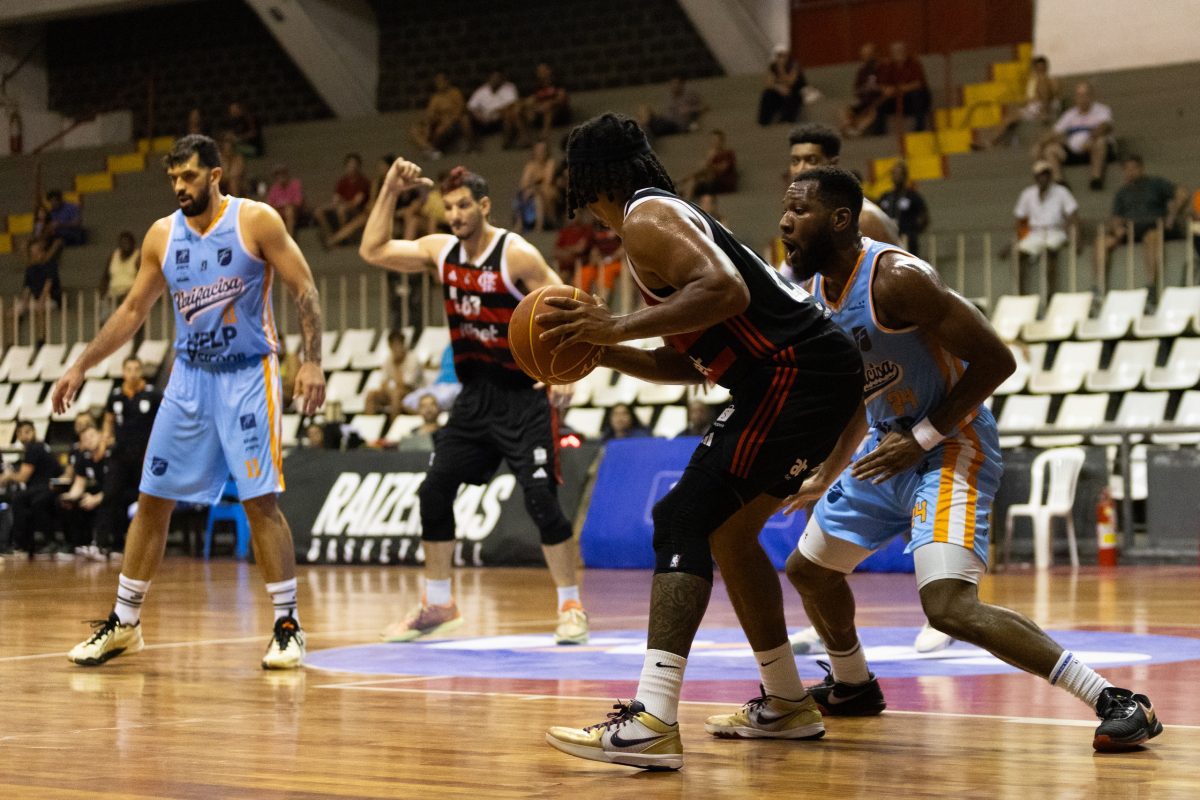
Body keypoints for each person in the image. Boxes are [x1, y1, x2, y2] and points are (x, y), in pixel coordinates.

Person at [777, 165, 1163, 754]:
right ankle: (853, 684)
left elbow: (997, 361)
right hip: (888, 448)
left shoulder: (897, 279)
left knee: (948, 608)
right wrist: (827, 471)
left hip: (950, 444)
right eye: (785, 209)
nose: (784, 222)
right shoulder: (816, 297)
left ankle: (1114, 699)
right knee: (809, 571)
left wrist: (923, 436)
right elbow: (862, 389)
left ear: (840, 219)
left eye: (799, 211)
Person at [542, 113, 864, 770]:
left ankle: (653, 720)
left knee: (681, 516)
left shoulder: (647, 219)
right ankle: (788, 701)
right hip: (804, 376)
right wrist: (603, 350)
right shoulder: (660, 222)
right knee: (729, 536)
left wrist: (614, 326)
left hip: (795, 374)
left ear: (586, 181)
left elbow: (724, 290)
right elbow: (691, 361)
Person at [51, 134, 326, 670]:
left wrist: (311, 361)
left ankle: (287, 626)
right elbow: (133, 310)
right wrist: (82, 364)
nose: (180, 186)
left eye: (190, 176)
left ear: (216, 176)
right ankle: (125, 623)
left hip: (248, 374)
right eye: (173, 178)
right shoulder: (162, 235)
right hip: (189, 377)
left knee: (259, 501)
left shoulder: (256, 221)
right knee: (152, 497)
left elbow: (305, 289)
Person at [359, 161, 589, 646]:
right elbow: (372, 250)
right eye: (450, 207)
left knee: (541, 500)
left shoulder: (516, 255)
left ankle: (571, 607)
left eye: (465, 205)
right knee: (433, 491)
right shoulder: (441, 252)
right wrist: (389, 190)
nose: (456, 214)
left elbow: (569, 304)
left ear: (484, 206)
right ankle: (439, 604)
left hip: (523, 397)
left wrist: (564, 370)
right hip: (474, 398)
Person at [781, 124, 943, 654]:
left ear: (832, 163)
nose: (800, 168)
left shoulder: (865, 223)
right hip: (837, 367)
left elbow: (891, 293)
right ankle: (824, 612)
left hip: (885, 363)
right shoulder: (797, 225)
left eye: (811, 159)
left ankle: (941, 606)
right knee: (821, 483)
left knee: (911, 486)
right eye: (794, 160)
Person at [98, 356, 162, 558]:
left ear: (141, 371)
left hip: (144, 455)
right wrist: (104, 440)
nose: (133, 373)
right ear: (123, 372)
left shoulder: (152, 394)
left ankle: (145, 545)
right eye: (129, 369)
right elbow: (108, 421)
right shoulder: (115, 395)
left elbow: (163, 420)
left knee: (143, 498)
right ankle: (104, 544)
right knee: (110, 495)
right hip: (120, 454)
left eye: (136, 369)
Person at [1096, 155, 1189, 292]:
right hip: (1131, 230)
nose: (1130, 172)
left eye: (1133, 168)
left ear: (1141, 168)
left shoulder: (1155, 183)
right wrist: (1117, 228)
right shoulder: (1122, 192)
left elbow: (1182, 193)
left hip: (1155, 226)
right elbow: (1116, 217)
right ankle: (1098, 286)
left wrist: (1173, 215)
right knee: (1101, 241)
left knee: (1151, 237)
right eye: (1127, 169)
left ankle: (1151, 285)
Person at [1014, 161, 1080, 295]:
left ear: (1050, 176)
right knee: (1018, 253)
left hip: (1055, 231)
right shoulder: (1027, 194)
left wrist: (1077, 238)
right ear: (1035, 177)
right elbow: (1019, 218)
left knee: (1049, 252)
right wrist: (1019, 237)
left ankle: (1050, 294)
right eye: (1039, 175)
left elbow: (1073, 216)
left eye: (1045, 175)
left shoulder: (1061, 192)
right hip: (1035, 233)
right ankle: (1021, 294)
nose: (1042, 178)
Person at [1036, 82, 1114, 190]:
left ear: (1091, 96)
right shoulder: (1069, 114)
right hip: (1073, 150)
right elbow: (1055, 132)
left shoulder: (1102, 110)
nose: (1082, 99)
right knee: (1050, 149)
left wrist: (1090, 138)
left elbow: (1105, 126)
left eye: (1085, 95)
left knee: (1100, 141)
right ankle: (1059, 182)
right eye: (1079, 95)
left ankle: (1096, 178)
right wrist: (1040, 144)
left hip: (1092, 147)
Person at [1, 420, 63, 557]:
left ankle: (21, 544)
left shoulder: (34, 448)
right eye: (20, 433)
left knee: (20, 500)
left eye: (27, 432)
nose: (24, 436)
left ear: (34, 432)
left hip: (46, 487)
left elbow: (23, 477)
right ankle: (27, 543)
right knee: (23, 499)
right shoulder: (39, 447)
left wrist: (8, 476)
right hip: (41, 487)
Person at [987, 55, 1061, 149]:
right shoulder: (1033, 82)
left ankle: (1044, 113)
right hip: (1035, 108)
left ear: (1046, 67)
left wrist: (1043, 98)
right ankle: (992, 141)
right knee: (1008, 118)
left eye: (1042, 68)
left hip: (1049, 107)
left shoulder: (1053, 79)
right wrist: (1029, 101)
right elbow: (1028, 100)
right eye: (1038, 68)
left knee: (1042, 81)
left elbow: (1055, 94)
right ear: (1035, 69)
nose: (1040, 70)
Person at [60, 425, 109, 561]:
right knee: (67, 503)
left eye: (91, 436)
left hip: (118, 492)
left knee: (106, 504)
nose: (89, 440)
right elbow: (79, 483)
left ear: (100, 436)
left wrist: (96, 499)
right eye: (85, 439)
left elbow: (116, 487)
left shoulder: (111, 454)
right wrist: (70, 497)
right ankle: (76, 544)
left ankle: (104, 545)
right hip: (99, 491)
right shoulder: (83, 457)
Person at [315, 153, 371, 247]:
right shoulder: (342, 181)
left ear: (359, 166)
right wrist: (339, 203)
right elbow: (336, 199)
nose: (352, 168)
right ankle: (330, 236)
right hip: (343, 206)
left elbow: (356, 202)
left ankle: (343, 239)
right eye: (350, 165)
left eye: (354, 165)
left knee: (342, 210)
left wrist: (343, 203)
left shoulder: (363, 182)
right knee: (319, 211)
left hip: (357, 210)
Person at [877, 160, 931, 257]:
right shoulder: (885, 196)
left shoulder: (913, 196)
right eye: (894, 173)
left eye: (899, 174)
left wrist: (912, 232)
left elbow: (924, 217)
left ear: (905, 176)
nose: (896, 176)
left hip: (907, 240)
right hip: (888, 240)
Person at [409, 72, 467, 160]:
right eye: (437, 82)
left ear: (447, 81)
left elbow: (459, 110)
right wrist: (428, 122)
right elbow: (430, 114)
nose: (438, 84)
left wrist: (449, 120)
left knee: (442, 128)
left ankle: (432, 150)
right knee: (415, 130)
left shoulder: (455, 93)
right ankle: (430, 149)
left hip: (451, 122)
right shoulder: (435, 98)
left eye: (440, 81)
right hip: (436, 122)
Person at [364, 330, 422, 416]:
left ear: (403, 344)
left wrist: (397, 365)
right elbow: (383, 382)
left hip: (413, 392)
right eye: (393, 345)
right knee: (371, 395)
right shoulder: (388, 359)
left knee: (396, 395)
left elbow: (405, 385)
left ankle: (394, 423)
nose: (396, 348)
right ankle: (370, 422)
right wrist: (389, 390)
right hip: (393, 392)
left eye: (398, 344)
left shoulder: (413, 359)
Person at [876, 41, 931, 132]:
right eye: (895, 51)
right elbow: (882, 84)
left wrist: (898, 89)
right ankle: (879, 131)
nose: (898, 53)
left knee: (916, 95)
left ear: (905, 51)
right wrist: (886, 89)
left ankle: (920, 128)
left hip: (913, 98)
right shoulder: (889, 66)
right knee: (880, 100)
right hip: (898, 98)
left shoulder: (914, 63)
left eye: (900, 50)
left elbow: (918, 84)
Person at [466, 70, 523, 150]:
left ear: (501, 79)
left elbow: (512, 104)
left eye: (497, 78)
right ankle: (472, 146)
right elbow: (470, 107)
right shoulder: (481, 90)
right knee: (465, 118)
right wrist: (478, 115)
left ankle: (507, 143)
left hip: (500, 119)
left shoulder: (508, 88)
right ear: (488, 79)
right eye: (493, 78)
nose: (495, 80)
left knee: (509, 114)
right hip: (483, 119)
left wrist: (496, 112)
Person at [840, 43, 885, 137]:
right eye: (864, 55)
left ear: (876, 54)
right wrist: (864, 89)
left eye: (869, 55)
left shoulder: (884, 68)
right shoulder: (862, 71)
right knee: (845, 111)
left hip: (879, 101)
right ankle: (849, 129)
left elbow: (888, 88)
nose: (866, 58)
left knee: (873, 112)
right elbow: (857, 89)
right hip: (864, 101)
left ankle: (858, 130)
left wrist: (877, 88)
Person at [513, 140, 559, 231]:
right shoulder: (530, 165)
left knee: (539, 195)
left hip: (549, 191)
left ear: (547, 152)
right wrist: (530, 188)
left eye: (543, 150)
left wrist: (533, 187)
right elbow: (524, 183)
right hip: (534, 192)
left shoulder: (550, 163)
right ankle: (520, 223)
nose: (540, 153)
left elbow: (547, 182)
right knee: (522, 194)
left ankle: (539, 225)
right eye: (538, 150)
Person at [638, 77, 708, 138]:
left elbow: (705, 107)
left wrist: (689, 109)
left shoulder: (689, 96)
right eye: (673, 84)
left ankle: (642, 128)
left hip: (676, 125)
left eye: (677, 84)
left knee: (650, 126)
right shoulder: (669, 98)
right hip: (664, 122)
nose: (675, 86)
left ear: (682, 85)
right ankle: (643, 127)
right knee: (644, 108)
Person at [679, 129, 738, 199]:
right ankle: (685, 195)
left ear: (722, 141)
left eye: (717, 140)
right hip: (709, 182)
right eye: (713, 140)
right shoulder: (711, 154)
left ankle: (684, 188)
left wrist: (709, 160)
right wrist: (709, 158)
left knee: (694, 180)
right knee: (691, 182)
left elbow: (722, 168)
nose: (715, 142)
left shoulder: (728, 154)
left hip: (722, 182)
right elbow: (703, 169)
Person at [758, 44, 806, 126]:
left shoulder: (793, 65)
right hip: (780, 90)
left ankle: (787, 119)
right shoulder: (773, 66)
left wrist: (781, 68)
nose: (781, 58)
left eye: (783, 55)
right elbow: (769, 83)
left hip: (794, 90)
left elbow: (790, 82)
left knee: (791, 96)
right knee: (767, 94)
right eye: (779, 56)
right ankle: (764, 120)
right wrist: (778, 87)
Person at [523, 63, 571, 141]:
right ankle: (526, 137)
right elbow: (531, 99)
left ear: (549, 71)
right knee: (525, 108)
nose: (542, 73)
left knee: (548, 108)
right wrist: (535, 107)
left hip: (560, 113)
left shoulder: (557, 83)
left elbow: (561, 99)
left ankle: (544, 136)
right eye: (539, 72)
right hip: (541, 111)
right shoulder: (537, 86)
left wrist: (550, 103)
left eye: (544, 71)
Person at [101, 230, 140, 306]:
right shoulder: (113, 256)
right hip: (113, 295)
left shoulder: (138, 257)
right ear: (119, 244)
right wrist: (102, 293)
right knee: (104, 308)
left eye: (128, 243)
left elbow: (143, 279)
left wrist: (131, 292)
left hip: (131, 295)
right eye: (123, 243)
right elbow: (105, 277)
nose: (126, 245)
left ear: (133, 244)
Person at [266, 164, 305, 237]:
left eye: (283, 173)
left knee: (289, 210)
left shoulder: (295, 184)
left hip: (295, 211)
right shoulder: (274, 188)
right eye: (278, 174)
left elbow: (298, 202)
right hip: (280, 211)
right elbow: (269, 204)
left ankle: (289, 238)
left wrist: (285, 204)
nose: (281, 176)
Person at [218, 132, 246, 197]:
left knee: (233, 182)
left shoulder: (238, 158)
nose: (228, 144)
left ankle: (235, 202)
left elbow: (237, 173)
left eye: (230, 141)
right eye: (226, 141)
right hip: (220, 182)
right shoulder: (218, 157)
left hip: (235, 183)